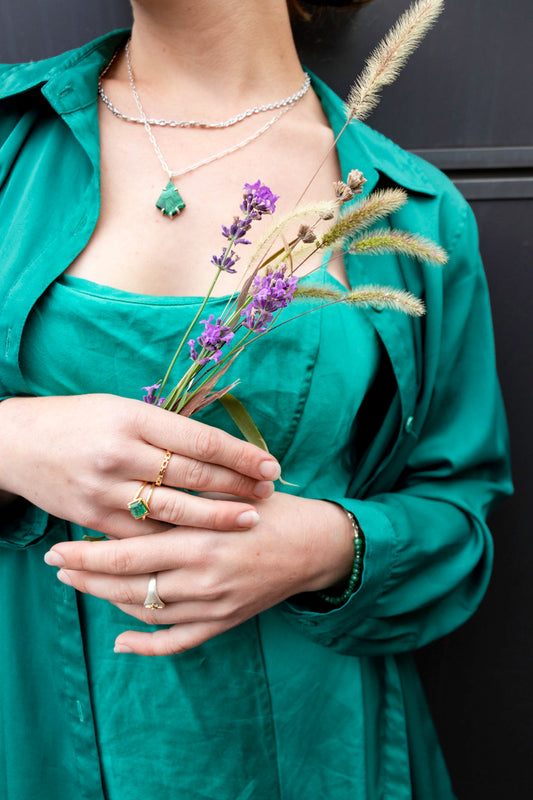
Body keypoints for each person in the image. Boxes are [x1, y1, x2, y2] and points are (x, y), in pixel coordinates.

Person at [0, 1, 511, 798]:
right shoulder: (8, 140)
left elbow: (460, 514)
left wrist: (326, 546)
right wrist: (12, 443)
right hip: (30, 723)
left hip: (317, 746)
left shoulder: (411, 208)